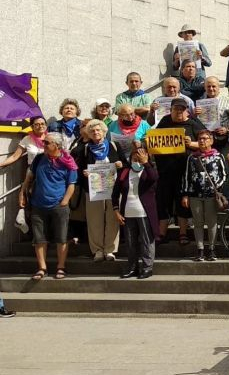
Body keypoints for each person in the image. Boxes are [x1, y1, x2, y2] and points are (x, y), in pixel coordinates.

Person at [19, 132, 76, 281]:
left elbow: (71, 185)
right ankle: (42, 268)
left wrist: (64, 201)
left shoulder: (68, 161)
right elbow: (28, 179)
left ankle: (61, 267)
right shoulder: (38, 159)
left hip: (59, 204)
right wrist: (22, 194)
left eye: (46, 142)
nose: (43, 144)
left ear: (56, 145)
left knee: (62, 237)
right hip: (38, 204)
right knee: (39, 238)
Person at [153, 98, 207, 244]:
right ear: (170, 110)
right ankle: (162, 233)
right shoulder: (164, 121)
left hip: (184, 171)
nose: (179, 112)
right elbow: (154, 141)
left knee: (182, 201)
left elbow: (206, 142)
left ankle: (183, 233)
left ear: (187, 110)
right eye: (176, 109)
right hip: (165, 171)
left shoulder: (193, 123)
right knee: (163, 201)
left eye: (182, 109)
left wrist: (192, 143)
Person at [75, 119, 124, 262]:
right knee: (94, 219)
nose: (95, 133)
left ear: (104, 132)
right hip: (93, 189)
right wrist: (84, 173)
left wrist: (120, 164)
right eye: (92, 131)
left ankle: (110, 249)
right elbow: (77, 168)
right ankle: (97, 250)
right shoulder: (84, 149)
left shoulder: (114, 146)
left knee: (112, 218)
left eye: (98, 130)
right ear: (88, 134)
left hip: (113, 188)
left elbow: (125, 164)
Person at [112, 143, 159, 279]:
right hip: (127, 212)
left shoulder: (149, 170)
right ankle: (132, 267)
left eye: (140, 159)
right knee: (131, 242)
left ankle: (147, 267)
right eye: (134, 158)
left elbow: (154, 179)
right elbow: (115, 194)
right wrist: (116, 210)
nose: (136, 161)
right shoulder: (125, 172)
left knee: (146, 241)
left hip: (144, 212)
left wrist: (146, 163)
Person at [181, 130, 227, 262]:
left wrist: (217, 187)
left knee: (212, 222)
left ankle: (212, 249)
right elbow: (186, 176)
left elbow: (224, 175)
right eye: (200, 138)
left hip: (211, 195)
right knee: (198, 223)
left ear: (211, 141)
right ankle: (200, 250)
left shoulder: (218, 156)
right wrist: (185, 194)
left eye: (205, 138)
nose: (202, 141)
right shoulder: (192, 157)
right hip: (195, 194)